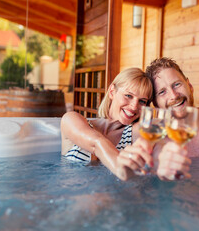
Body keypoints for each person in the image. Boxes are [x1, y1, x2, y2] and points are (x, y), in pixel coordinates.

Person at [61, 67, 190, 181]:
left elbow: (155, 142)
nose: (134, 106)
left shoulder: (136, 131)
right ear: (112, 91)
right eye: (128, 95)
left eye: (142, 101)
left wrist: (162, 164)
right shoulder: (72, 119)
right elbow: (96, 143)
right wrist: (119, 167)